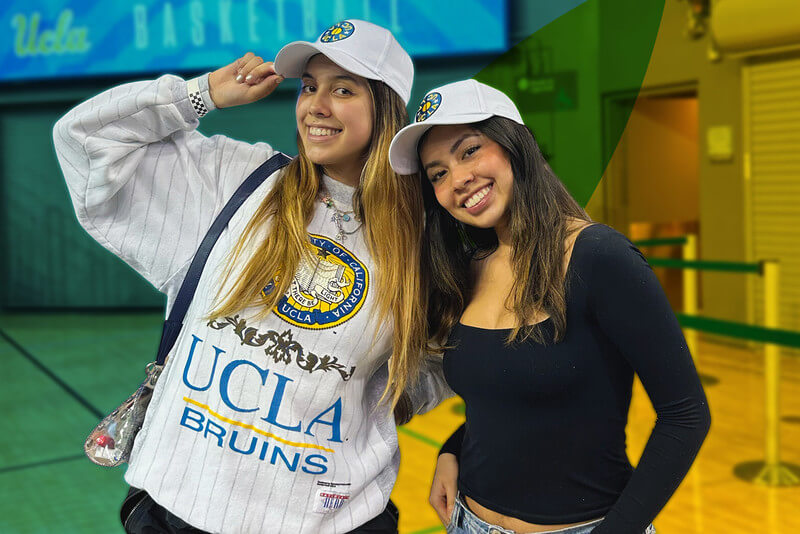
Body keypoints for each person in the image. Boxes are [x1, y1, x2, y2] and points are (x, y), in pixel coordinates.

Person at [53, 20, 450, 534]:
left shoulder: (420, 235)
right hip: (179, 508)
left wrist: (378, 399)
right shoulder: (234, 180)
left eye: (343, 89)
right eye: (309, 87)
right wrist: (201, 95)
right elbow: (84, 140)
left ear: (387, 110)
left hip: (329, 519)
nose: (316, 105)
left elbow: (442, 358)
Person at [388, 80, 711, 534]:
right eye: (437, 173)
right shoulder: (470, 267)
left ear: (513, 145)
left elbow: (686, 414)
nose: (457, 179)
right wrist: (452, 448)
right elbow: (507, 397)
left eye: (469, 151)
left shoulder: (599, 257)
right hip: (466, 521)